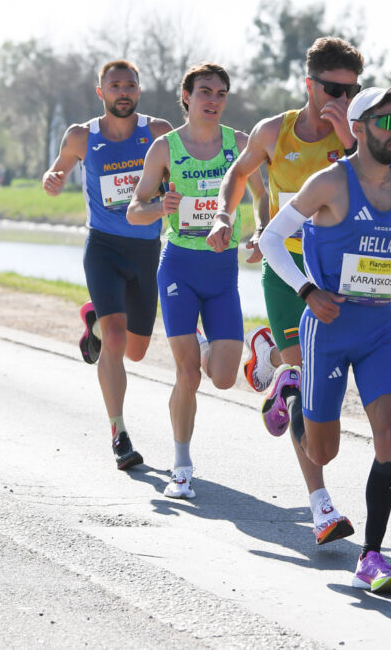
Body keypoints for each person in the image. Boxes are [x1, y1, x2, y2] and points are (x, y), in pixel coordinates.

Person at [258, 83, 391, 593]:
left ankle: (371, 556)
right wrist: (306, 290)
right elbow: (272, 238)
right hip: (327, 327)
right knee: (322, 452)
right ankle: (290, 389)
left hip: (377, 328)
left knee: (390, 433)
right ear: (359, 127)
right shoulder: (329, 182)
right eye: (387, 122)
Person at [213, 37, 364, 543]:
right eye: (333, 89)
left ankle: (269, 356)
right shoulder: (273, 132)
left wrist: (351, 142)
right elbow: (237, 174)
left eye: (351, 90)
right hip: (285, 266)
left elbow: (379, 185)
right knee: (303, 383)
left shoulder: (356, 133)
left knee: (320, 384)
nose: (342, 99)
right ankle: (322, 507)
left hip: (336, 272)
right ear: (309, 85)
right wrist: (224, 216)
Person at [128, 63, 265, 499]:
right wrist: (160, 207)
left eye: (221, 94)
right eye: (205, 91)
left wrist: (261, 232)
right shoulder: (165, 148)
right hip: (179, 269)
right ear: (186, 97)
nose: (213, 100)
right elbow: (134, 210)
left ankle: (207, 344)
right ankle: (181, 467)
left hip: (222, 272)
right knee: (187, 374)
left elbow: (261, 196)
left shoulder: (239, 144)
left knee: (222, 378)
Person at [42, 60, 173, 471]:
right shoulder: (81, 136)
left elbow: (180, 178)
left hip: (146, 250)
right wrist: (52, 178)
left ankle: (94, 323)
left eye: (129, 85)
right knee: (116, 340)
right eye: (114, 86)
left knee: (136, 350)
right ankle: (119, 433)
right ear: (101, 92)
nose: (123, 92)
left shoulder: (158, 132)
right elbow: (58, 169)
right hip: (103, 248)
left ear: (139, 90)